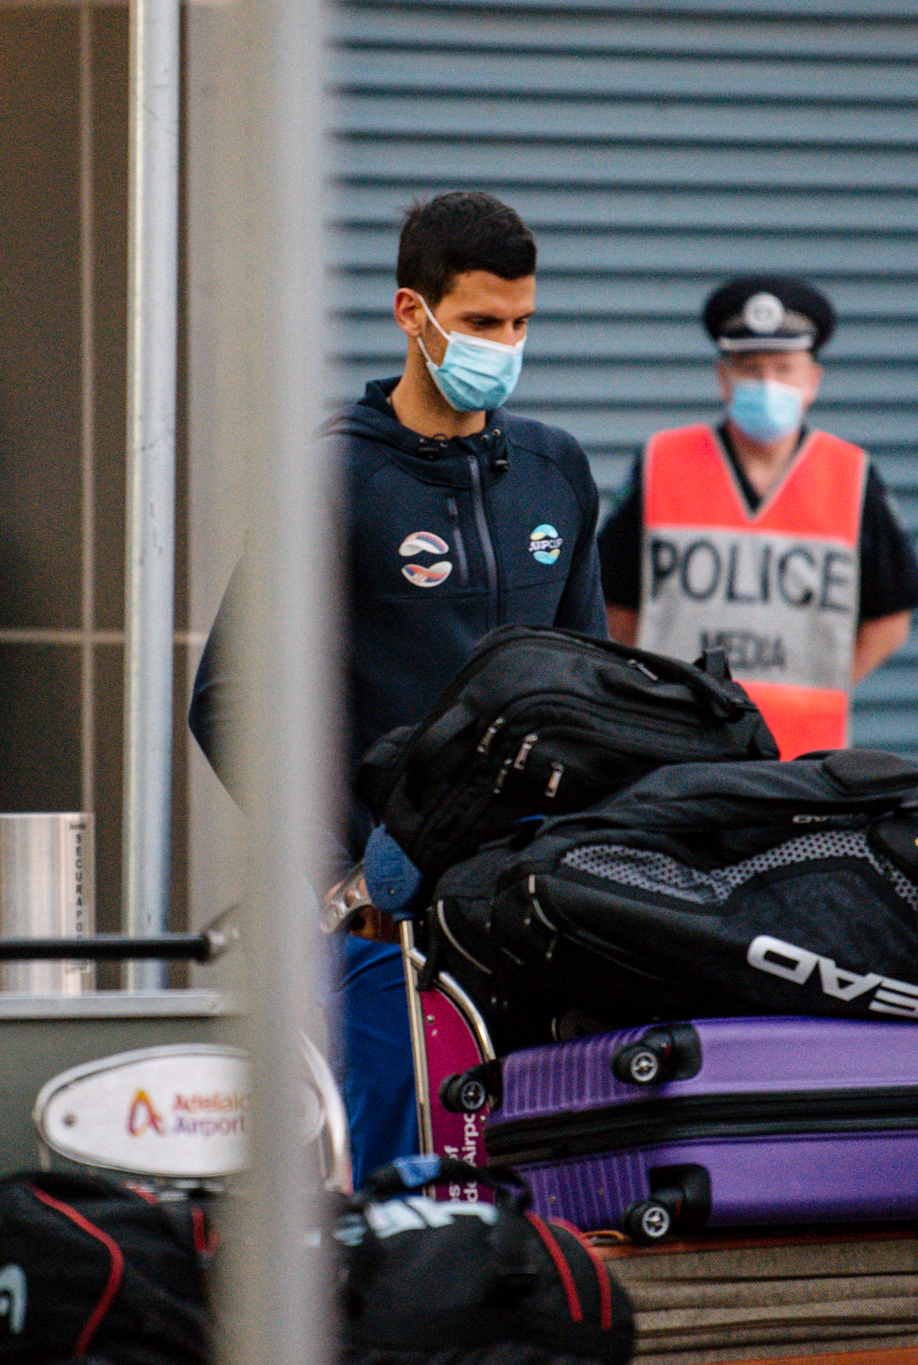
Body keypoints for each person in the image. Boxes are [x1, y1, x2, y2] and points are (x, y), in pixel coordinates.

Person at [187, 192, 606, 1183]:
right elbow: (229, 695)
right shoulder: (333, 479)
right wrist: (349, 862)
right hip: (384, 931)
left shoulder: (556, 470)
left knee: (526, 1183)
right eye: (479, 323)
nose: (503, 346)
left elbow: (589, 690)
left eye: (520, 324)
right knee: (386, 1188)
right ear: (411, 315)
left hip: (528, 911)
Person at [596, 275, 918, 757]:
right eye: (750, 368)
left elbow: (890, 622)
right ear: (723, 377)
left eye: (783, 368)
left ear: (812, 381)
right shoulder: (662, 461)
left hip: (807, 757)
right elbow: (614, 606)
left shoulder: (852, 476)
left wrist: (823, 685)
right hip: (677, 749)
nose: (767, 383)